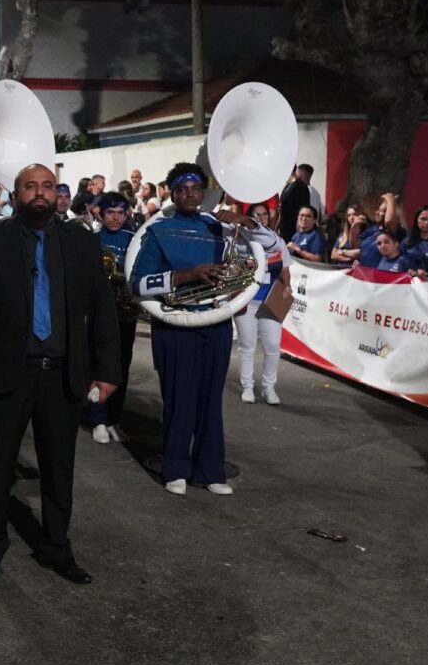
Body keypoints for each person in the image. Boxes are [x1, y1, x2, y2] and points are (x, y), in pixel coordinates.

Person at [0, 163, 120, 586]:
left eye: (47, 186)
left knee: (59, 470)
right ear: (16, 193)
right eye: (31, 187)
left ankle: (56, 548)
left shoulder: (82, 242)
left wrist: (107, 370)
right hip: (4, 376)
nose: (40, 193)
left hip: (62, 376)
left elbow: (102, 309)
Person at [131, 162, 278, 496]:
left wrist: (246, 221)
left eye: (195, 188)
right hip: (175, 324)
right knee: (178, 398)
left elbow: (270, 245)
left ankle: (210, 470)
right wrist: (188, 275)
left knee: (211, 400)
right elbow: (138, 282)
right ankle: (176, 469)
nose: (189, 194)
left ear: (202, 193)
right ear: (172, 194)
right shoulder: (159, 230)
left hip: (215, 323)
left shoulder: (220, 225)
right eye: (182, 189)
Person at [84, 193, 139, 442]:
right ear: (101, 214)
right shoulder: (93, 240)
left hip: (126, 312)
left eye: (120, 213)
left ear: (127, 214)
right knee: (99, 363)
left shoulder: (135, 239)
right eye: (110, 213)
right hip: (99, 313)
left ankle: (114, 418)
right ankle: (98, 418)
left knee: (122, 365)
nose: (115, 218)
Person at [233, 202, 290, 405]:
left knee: (273, 346)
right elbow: (231, 269)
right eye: (256, 215)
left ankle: (269, 387)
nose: (261, 218)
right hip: (247, 299)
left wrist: (287, 286)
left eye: (264, 214)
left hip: (270, 300)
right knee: (247, 346)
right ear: (248, 217)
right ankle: (247, 387)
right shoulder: (239, 241)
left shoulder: (277, 241)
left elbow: (285, 268)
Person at [357, 192, 403, 269]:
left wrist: (390, 199)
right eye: (378, 209)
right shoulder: (373, 228)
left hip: (380, 272)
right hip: (365, 272)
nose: (376, 212)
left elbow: (389, 220)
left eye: (382, 210)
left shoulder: (390, 230)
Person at [277, 164, 315, 243]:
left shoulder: (300, 186)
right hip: (284, 231)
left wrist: (300, 234)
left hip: (294, 233)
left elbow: (303, 210)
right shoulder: (287, 186)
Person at [403, 205, 428, 274]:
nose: (427, 222)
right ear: (416, 220)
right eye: (423, 219)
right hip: (411, 279)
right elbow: (400, 263)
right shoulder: (407, 241)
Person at [330, 205, 365, 269]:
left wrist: (343, 252)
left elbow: (361, 252)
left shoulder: (365, 233)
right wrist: (351, 258)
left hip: (354, 270)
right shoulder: (343, 234)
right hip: (340, 270)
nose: (351, 218)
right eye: (349, 215)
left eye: (354, 214)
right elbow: (333, 255)